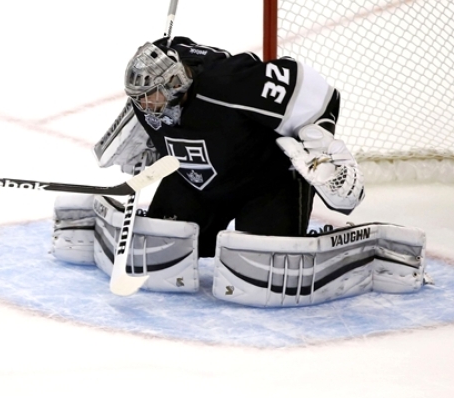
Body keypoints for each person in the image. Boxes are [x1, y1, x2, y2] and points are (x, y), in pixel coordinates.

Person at [52, 35, 388, 304]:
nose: (143, 106)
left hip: (264, 183)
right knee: (158, 255)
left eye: (150, 96)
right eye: (138, 98)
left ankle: (317, 240)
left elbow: (319, 93)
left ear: (172, 84)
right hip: (194, 181)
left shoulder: (230, 84)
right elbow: (169, 67)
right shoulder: (152, 100)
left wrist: (319, 141)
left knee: (266, 275)